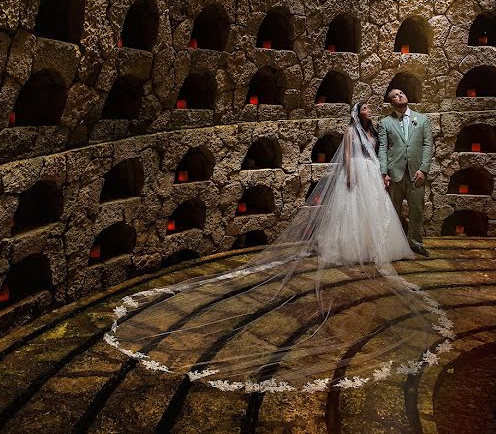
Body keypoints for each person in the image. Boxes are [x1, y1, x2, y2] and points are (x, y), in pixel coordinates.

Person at [103, 102, 454, 393]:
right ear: (356, 114)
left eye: (367, 111)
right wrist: (350, 175)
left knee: (375, 215)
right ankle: (354, 247)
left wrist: (378, 171)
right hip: (357, 175)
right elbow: (347, 156)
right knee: (351, 216)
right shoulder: (351, 132)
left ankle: (378, 246)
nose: (367, 114)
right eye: (362, 110)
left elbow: (380, 150)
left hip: (374, 174)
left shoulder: (376, 131)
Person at [378, 89, 433, 257]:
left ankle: (416, 243)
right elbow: (383, 148)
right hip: (394, 174)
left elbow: (427, 145)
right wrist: (383, 172)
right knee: (393, 211)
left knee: (416, 209)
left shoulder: (422, 119)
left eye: (402, 92)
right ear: (391, 103)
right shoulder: (385, 122)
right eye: (395, 95)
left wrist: (423, 169)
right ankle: (392, 245)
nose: (400, 95)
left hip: (416, 173)